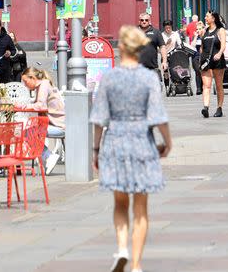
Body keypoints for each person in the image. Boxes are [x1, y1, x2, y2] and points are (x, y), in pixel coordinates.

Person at [90, 25, 172, 272]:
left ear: (121, 47)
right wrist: (167, 142)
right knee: (141, 207)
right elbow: (158, 116)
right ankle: (136, 264)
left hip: (115, 141)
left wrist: (96, 150)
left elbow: (99, 119)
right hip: (141, 143)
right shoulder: (148, 78)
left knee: (120, 202)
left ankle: (122, 248)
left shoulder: (109, 78)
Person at [21, 67, 65, 174]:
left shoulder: (43, 86)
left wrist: (24, 106)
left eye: (26, 82)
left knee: (27, 133)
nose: (25, 85)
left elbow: (40, 105)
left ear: (32, 78)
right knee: (28, 131)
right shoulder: (43, 85)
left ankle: (49, 156)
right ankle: (48, 156)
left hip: (59, 126)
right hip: (58, 124)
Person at [200, 11, 228, 118]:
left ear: (213, 18)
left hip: (217, 60)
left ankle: (219, 108)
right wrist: (201, 58)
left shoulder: (220, 30)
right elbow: (202, 47)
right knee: (206, 86)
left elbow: (223, 45)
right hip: (206, 61)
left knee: (218, 85)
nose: (205, 18)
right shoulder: (204, 31)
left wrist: (220, 53)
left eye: (207, 16)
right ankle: (205, 107)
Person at [138, 13, 167, 80]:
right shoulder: (134, 31)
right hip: (137, 69)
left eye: (146, 20)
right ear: (139, 21)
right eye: (142, 20)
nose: (144, 21)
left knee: (155, 89)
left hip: (152, 68)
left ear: (149, 21)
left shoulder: (156, 32)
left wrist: (164, 61)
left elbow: (162, 47)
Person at [0, 18, 16, 83]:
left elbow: (13, 50)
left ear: (0, 27)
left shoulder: (6, 37)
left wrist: (9, 52)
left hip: (4, 69)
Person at [191, 21, 206, 96]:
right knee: (197, 71)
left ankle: (203, 87)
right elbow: (192, 46)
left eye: (200, 29)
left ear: (203, 29)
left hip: (204, 56)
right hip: (196, 56)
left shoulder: (206, 36)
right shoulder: (195, 37)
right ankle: (198, 88)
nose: (198, 30)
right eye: (197, 29)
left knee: (203, 71)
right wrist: (196, 36)